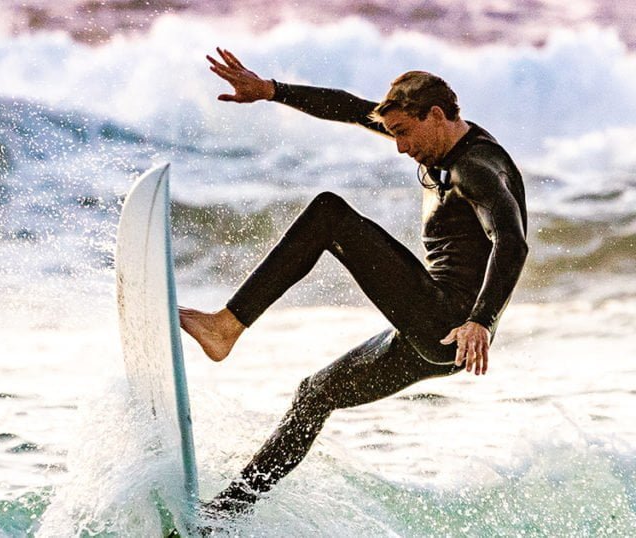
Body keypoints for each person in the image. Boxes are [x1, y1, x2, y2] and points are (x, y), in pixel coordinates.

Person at [180, 48, 529, 517]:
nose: (401, 147)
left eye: (404, 133)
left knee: (329, 215)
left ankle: (226, 326)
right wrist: (270, 91)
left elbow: (512, 240)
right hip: (433, 335)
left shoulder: (475, 168)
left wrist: (480, 322)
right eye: (392, 134)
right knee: (314, 394)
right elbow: (346, 106)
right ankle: (221, 516)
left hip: (450, 322)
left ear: (437, 115)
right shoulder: (436, 143)